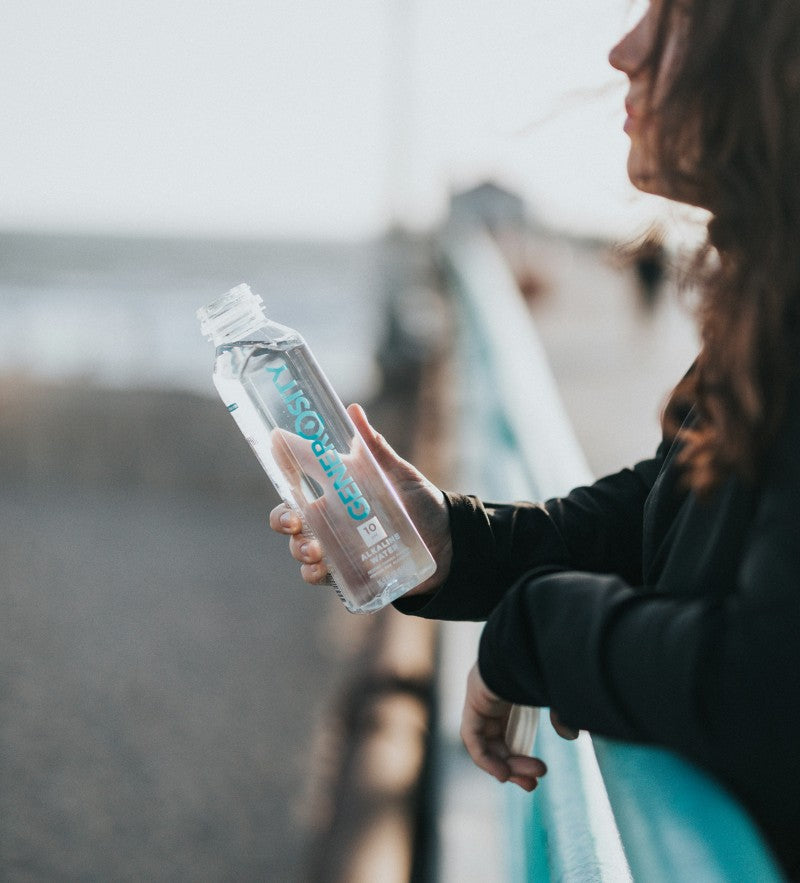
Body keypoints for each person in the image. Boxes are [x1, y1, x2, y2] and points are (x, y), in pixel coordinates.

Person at [271, 0, 800, 875]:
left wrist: (538, 630)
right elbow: (672, 512)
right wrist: (450, 538)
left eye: (677, 17)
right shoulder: (769, 292)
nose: (623, 48)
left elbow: (767, 686)